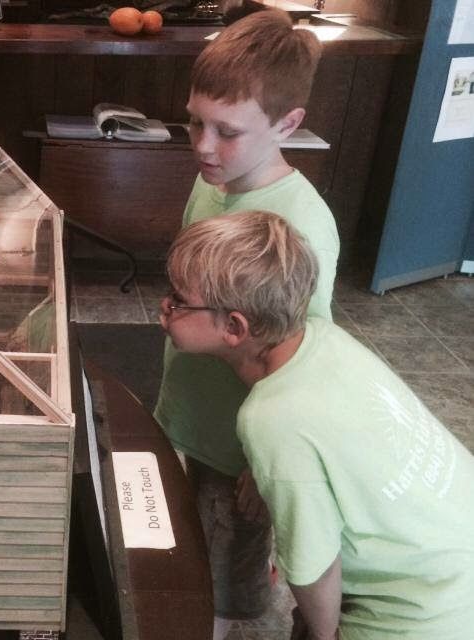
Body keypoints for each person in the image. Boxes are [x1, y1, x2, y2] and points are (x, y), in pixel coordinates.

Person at [162, 210, 474, 640]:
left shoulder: (269, 419)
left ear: (234, 327)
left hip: (422, 617)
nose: (166, 307)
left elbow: (314, 568)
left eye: (177, 300)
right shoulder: (326, 340)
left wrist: (324, 635)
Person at [153, 8, 340, 637]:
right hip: (195, 414)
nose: (202, 144)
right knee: (194, 547)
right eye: (194, 122)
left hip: (245, 448)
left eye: (226, 130)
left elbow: (305, 364)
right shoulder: (215, 179)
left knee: (226, 586)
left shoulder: (301, 230)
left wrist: (265, 468)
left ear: (287, 124)